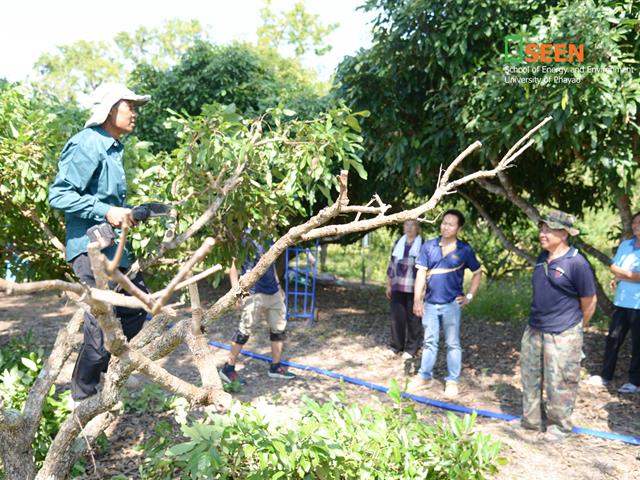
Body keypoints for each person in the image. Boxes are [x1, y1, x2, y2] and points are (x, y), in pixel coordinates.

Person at [48, 83, 151, 402]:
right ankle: (83, 393)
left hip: (111, 249)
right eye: (129, 106)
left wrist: (129, 213)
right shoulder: (87, 143)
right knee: (100, 323)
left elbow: (105, 205)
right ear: (109, 109)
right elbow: (60, 195)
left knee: (138, 306)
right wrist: (108, 211)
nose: (134, 113)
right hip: (89, 249)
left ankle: (107, 371)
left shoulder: (113, 148)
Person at [520, 210, 597, 442]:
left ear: (563, 233)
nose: (542, 234)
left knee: (560, 383)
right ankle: (531, 422)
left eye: (548, 229)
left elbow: (589, 300)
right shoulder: (542, 257)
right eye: (541, 228)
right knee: (530, 378)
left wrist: (575, 328)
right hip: (535, 329)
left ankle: (559, 428)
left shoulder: (577, 263)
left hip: (564, 332)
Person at [409, 209, 482, 398]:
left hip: (452, 304)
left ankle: (452, 381)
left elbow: (477, 272)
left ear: (459, 228)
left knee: (453, 343)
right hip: (431, 304)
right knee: (429, 342)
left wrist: (469, 296)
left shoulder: (464, 250)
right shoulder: (429, 246)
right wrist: (417, 300)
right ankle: (424, 376)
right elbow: (420, 275)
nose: (445, 227)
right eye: (444, 222)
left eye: (451, 224)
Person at [219, 239, 296, 384]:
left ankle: (275, 367)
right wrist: (237, 293)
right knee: (244, 331)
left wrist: (279, 285)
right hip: (253, 292)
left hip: (273, 292)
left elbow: (271, 264)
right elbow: (234, 266)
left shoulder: (268, 235)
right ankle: (228, 368)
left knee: (279, 329)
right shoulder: (243, 236)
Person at [585, 211, 640, 394]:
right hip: (622, 300)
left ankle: (635, 381)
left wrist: (622, 274)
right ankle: (605, 375)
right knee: (613, 338)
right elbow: (614, 266)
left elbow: (621, 271)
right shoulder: (626, 244)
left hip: (638, 305)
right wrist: (624, 276)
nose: (636, 226)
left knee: (638, 343)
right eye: (634, 222)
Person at [385, 220, 423, 363]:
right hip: (397, 285)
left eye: (412, 225)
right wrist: (388, 284)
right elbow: (391, 264)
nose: (409, 228)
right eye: (406, 224)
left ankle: (412, 349)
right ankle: (396, 346)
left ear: (418, 227)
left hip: (414, 287)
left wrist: (423, 290)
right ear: (403, 227)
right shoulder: (398, 243)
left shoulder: (423, 245)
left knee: (414, 320)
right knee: (397, 318)